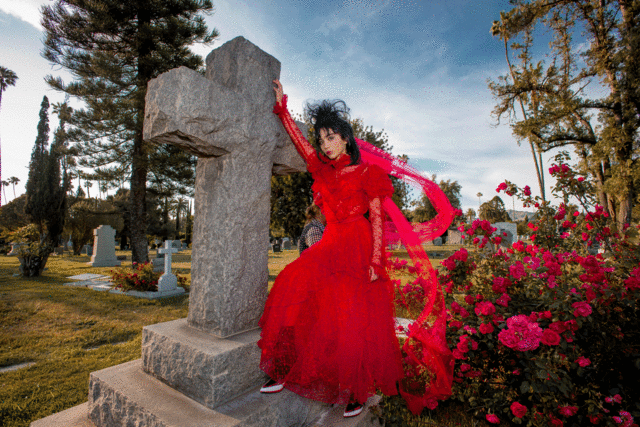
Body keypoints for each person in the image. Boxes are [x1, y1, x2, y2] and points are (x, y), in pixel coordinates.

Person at [259, 80, 404, 418]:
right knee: (294, 283)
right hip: (331, 241)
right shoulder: (322, 170)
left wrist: (377, 260)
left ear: (345, 138)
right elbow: (299, 144)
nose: (326, 145)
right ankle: (285, 369)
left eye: (332, 137)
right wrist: (282, 110)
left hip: (358, 242)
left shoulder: (369, 172)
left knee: (351, 315)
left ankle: (355, 389)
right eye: (322, 139)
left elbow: (378, 219)